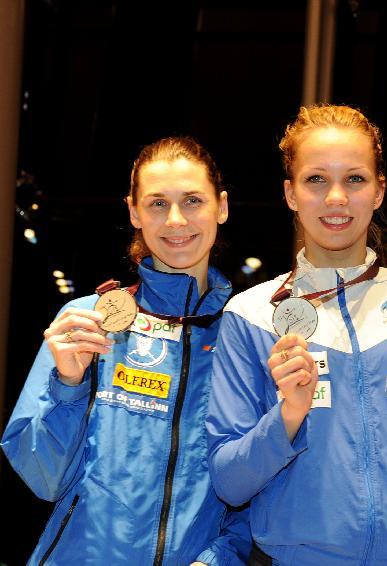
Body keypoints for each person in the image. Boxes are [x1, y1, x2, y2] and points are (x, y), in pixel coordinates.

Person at [205, 104, 387, 566]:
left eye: (355, 179)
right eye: (316, 179)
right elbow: (228, 481)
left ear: (379, 190)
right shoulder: (251, 314)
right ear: (290, 194)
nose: (336, 197)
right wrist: (288, 416)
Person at [2, 137, 249, 565]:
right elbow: (43, 477)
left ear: (221, 207)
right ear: (134, 211)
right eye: (157, 203)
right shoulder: (85, 321)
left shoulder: (245, 337)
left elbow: (257, 483)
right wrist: (68, 385)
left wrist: (219, 559)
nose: (175, 220)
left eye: (192, 200)